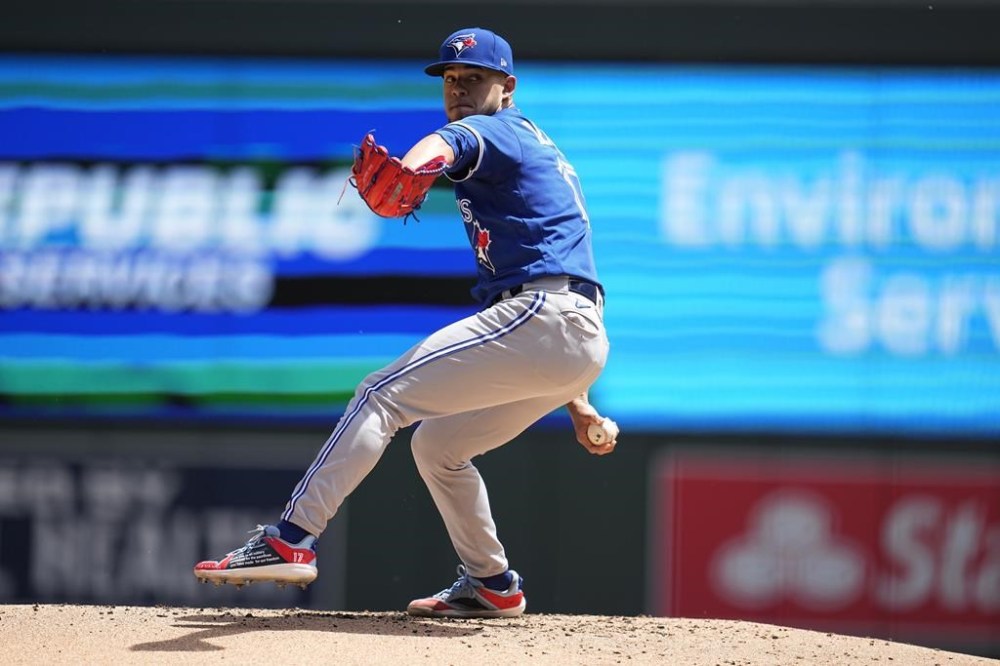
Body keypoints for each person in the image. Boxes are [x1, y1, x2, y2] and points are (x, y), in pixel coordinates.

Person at [193, 26, 616, 619]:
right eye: (449, 79)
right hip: (567, 335)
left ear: (508, 87)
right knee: (439, 445)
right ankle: (493, 582)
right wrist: (579, 401)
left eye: (473, 78)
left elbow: (445, 146)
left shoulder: (496, 130)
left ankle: (289, 538)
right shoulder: (530, 148)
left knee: (379, 395)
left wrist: (413, 169)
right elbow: (561, 275)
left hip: (546, 318)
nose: (458, 88)